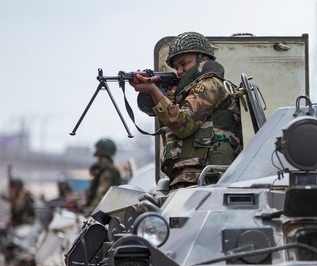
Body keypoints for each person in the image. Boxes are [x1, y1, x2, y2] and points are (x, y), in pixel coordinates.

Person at [130, 31, 243, 188]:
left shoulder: (209, 85)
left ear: (203, 59)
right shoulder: (188, 92)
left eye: (184, 64)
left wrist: (153, 90)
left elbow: (183, 125)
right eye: (176, 67)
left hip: (205, 177)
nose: (179, 71)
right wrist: (170, 100)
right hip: (190, 176)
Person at [84, 138, 122, 216]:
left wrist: (89, 214)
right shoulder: (106, 168)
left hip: (100, 213)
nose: (95, 152)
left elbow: (101, 195)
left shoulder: (107, 171)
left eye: (97, 150)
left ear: (102, 152)